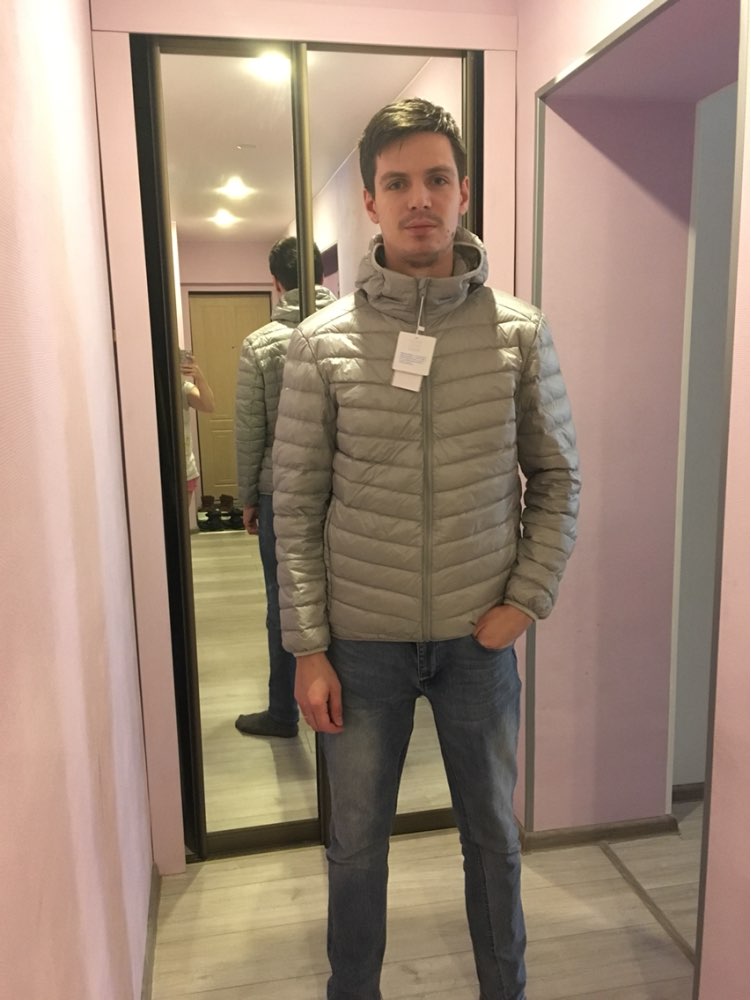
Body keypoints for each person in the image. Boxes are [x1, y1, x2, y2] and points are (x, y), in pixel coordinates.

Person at [272, 98, 580, 1000]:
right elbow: (295, 504)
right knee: (355, 845)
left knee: (493, 838)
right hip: (358, 648)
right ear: (369, 201)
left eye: (436, 179)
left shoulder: (517, 332)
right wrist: (308, 648)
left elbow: (557, 477)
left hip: (476, 641)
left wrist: (524, 601)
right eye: (397, 182)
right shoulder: (320, 344)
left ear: (463, 193)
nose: (419, 199)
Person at [234, 236, 338, 739]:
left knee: (285, 601)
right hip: (342, 487)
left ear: (276, 282)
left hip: (280, 490)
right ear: (321, 276)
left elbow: (249, 430)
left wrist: (248, 497)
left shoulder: (259, 344)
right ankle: (347, 703)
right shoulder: (350, 332)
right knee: (345, 596)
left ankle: (282, 712)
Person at [180, 352, 214, 507]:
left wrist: (199, 377)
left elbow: (208, 406)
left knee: (181, 520)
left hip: (186, 468)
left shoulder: (183, 388)